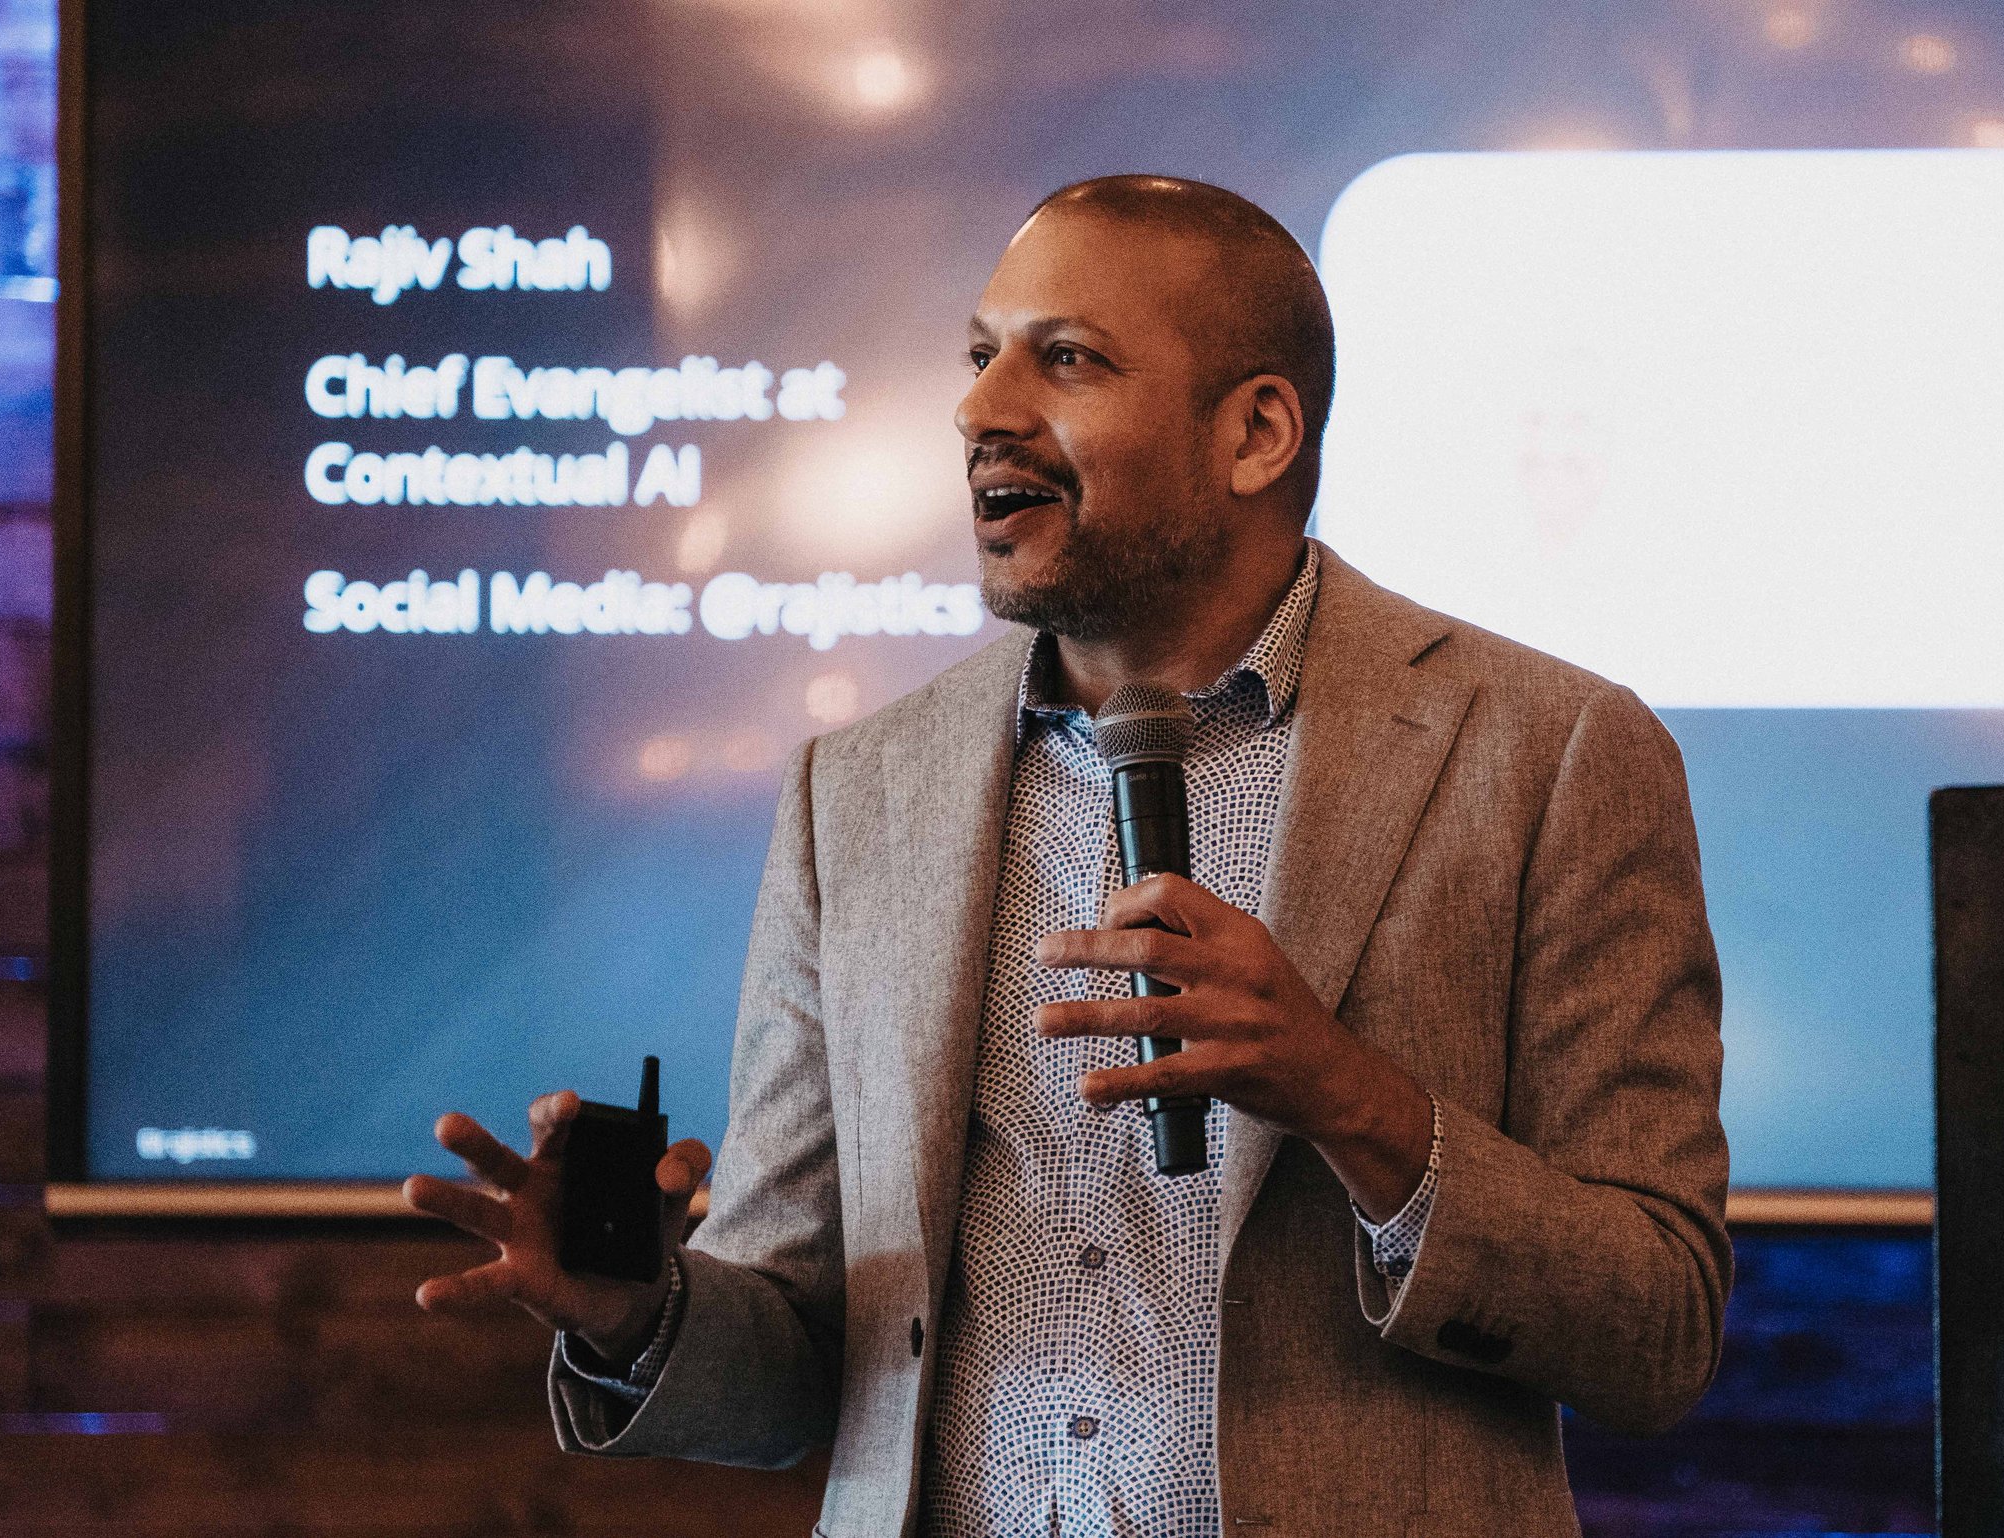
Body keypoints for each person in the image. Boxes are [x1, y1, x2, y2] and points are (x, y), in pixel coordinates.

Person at [406, 174, 1730, 1537]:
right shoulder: (857, 792)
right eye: (981, 356)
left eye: (1069, 358)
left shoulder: (1553, 750)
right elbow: (805, 1354)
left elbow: (1662, 1326)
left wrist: (1352, 1098)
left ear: (1257, 432)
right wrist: (637, 1312)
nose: (984, 410)